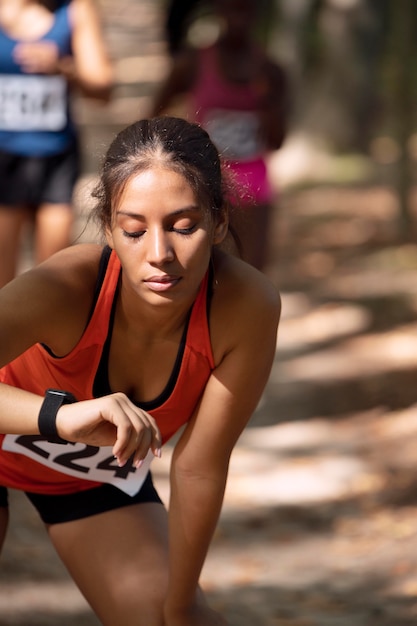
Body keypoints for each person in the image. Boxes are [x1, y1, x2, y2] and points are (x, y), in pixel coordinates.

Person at [0, 116, 280, 625]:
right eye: (133, 230)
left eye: (184, 226)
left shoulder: (246, 306)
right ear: (108, 228)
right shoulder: (68, 286)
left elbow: (198, 466)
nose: (159, 255)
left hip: (82, 479)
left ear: (219, 221)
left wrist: (181, 604)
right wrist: (58, 418)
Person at [151, 0, 289, 271]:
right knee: (204, 271)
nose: (239, 17)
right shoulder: (193, 62)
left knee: (252, 273)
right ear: (218, 10)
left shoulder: (270, 71)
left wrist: (268, 100)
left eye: (246, 8)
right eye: (232, 8)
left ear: (258, 12)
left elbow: (278, 140)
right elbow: (154, 113)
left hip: (254, 183)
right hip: (205, 180)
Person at [0, 0, 113, 287]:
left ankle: (43, 333)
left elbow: (103, 88)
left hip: (56, 156)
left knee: (51, 278)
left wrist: (63, 68)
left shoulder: (75, 9)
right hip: (4, 159)